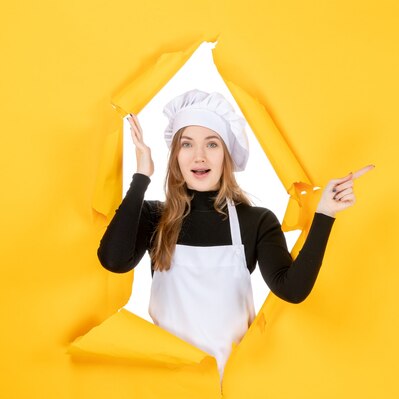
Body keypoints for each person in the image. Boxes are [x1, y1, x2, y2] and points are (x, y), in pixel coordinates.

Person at [97, 89, 374, 381]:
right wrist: (141, 177)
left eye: (212, 144)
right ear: (175, 154)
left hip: (233, 389)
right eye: (187, 144)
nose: (199, 156)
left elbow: (291, 290)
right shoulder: (156, 217)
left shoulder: (255, 220)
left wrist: (325, 214)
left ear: (227, 155)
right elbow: (113, 261)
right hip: (168, 386)